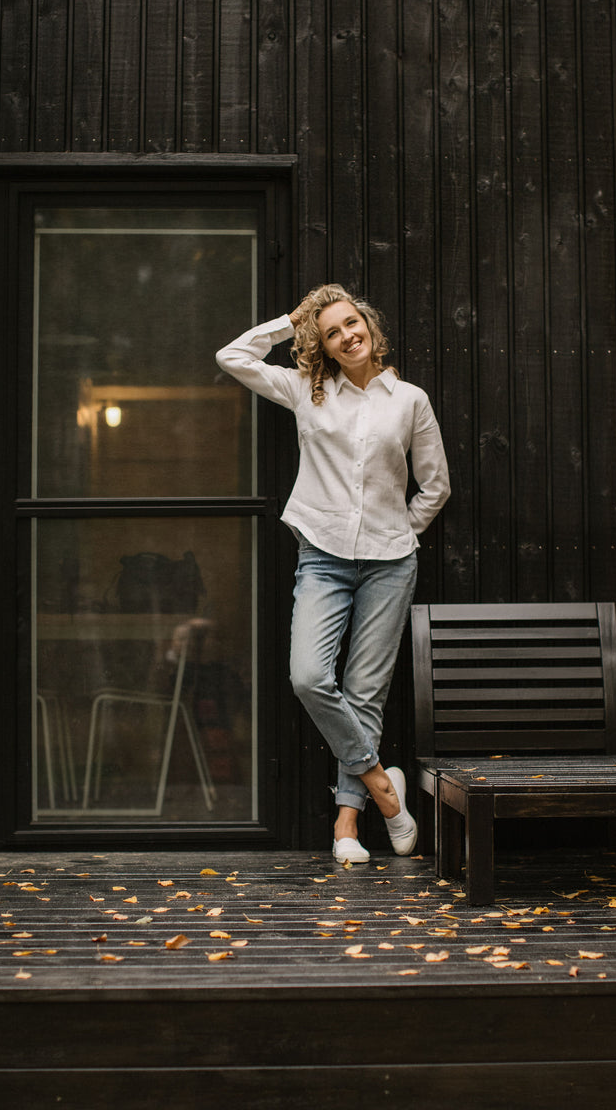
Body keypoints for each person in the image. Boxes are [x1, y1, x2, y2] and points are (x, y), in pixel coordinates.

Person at [216, 284, 450, 864]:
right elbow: (233, 358)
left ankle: (346, 826)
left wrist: (401, 529)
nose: (347, 336)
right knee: (309, 677)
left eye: (352, 324)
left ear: (369, 326)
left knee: (364, 691)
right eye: (332, 332)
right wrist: (289, 320)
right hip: (322, 556)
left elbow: (435, 484)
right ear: (321, 345)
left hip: (390, 562)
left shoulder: (410, 400)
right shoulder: (305, 390)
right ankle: (385, 792)